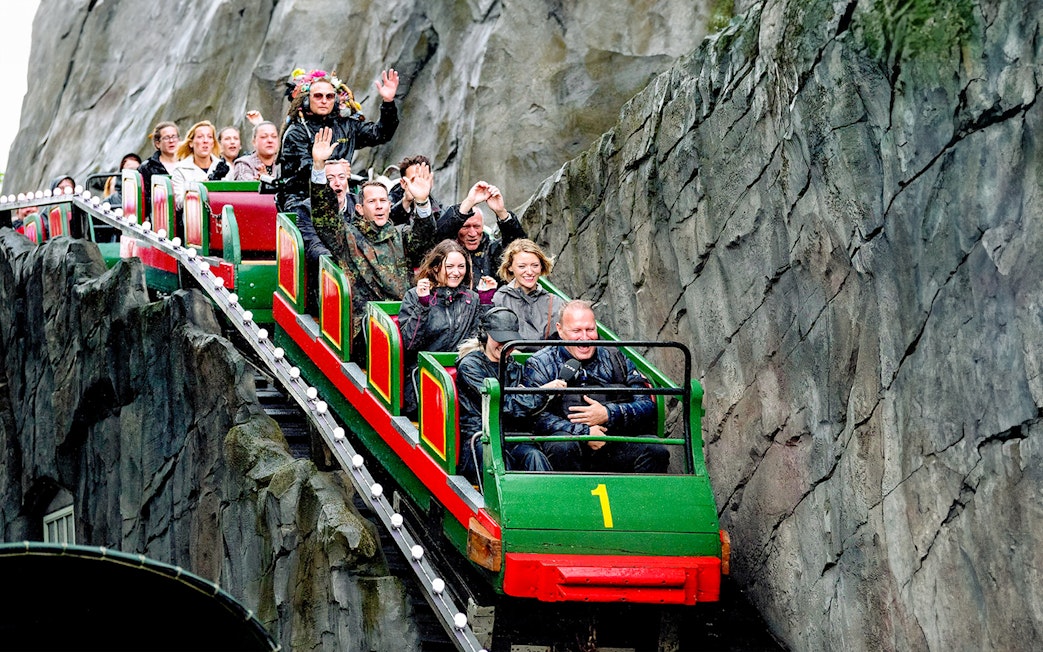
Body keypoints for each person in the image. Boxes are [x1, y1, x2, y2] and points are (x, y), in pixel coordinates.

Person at [310, 127, 437, 353]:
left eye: (383, 201)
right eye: (372, 202)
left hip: (405, 319)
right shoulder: (346, 236)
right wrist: (319, 168)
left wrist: (422, 202)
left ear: (390, 205)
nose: (379, 206)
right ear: (359, 208)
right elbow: (323, 216)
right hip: (365, 327)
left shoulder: (400, 235)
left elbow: (425, 237)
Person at [524, 300, 669, 474]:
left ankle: (641, 500)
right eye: (576, 331)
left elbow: (646, 404)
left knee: (655, 449)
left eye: (590, 329)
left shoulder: (616, 357)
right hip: (568, 445)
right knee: (562, 445)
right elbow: (533, 415)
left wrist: (609, 413)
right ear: (560, 330)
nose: (584, 337)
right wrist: (584, 433)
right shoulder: (540, 363)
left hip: (612, 442)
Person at [455, 307, 559, 484]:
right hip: (482, 437)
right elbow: (501, 404)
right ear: (485, 336)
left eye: (509, 340)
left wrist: (530, 396)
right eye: (499, 338)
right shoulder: (470, 366)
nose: (504, 345)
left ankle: (548, 504)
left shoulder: (516, 367)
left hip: (512, 435)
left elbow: (521, 406)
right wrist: (541, 393)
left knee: (535, 456)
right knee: (501, 460)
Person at [276, 67, 400, 212]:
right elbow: (302, 169)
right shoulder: (296, 132)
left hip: (343, 198)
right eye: (318, 96)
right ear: (306, 100)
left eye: (329, 96)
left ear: (335, 100)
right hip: (302, 199)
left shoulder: (347, 125)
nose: (324, 101)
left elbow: (381, 133)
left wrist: (388, 102)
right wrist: (334, 169)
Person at [398, 239, 488, 417]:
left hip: (461, 373)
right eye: (450, 266)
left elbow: (477, 340)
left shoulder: (472, 299)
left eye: (461, 266)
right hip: (424, 373)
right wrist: (422, 306)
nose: (456, 272)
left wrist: (486, 301)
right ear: (436, 267)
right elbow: (409, 344)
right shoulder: (414, 296)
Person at [437, 181, 525, 289]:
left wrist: (501, 212)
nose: (473, 233)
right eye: (466, 227)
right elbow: (437, 236)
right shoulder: (445, 250)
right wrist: (469, 202)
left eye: (477, 227)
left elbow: (520, 247)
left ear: (483, 227)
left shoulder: (493, 250)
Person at [493, 238, 560, 341]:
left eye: (535, 265)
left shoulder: (555, 303)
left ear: (541, 266)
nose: (529, 271)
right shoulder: (500, 299)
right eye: (522, 266)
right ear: (510, 267)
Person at [171, 120, 221, 208]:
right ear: (191, 143)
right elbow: (177, 203)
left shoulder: (224, 167)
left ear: (213, 143)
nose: (205, 141)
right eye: (200, 137)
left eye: (209, 137)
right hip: (192, 217)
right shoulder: (180, 169)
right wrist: (197, 191)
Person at [389, 155, 440, 225]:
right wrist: (406, 201)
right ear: (403, 183)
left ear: (431, 181)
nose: (420, 184)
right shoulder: (386, 201)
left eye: (424, 178)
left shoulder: (438, 210)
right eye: (414, 180)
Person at [139, 121, 179, 205]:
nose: (171, 141)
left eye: (174, 137)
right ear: (158, 144)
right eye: (166, 138)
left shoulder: (188, 163)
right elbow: (144, 198)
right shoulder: (148, 167)